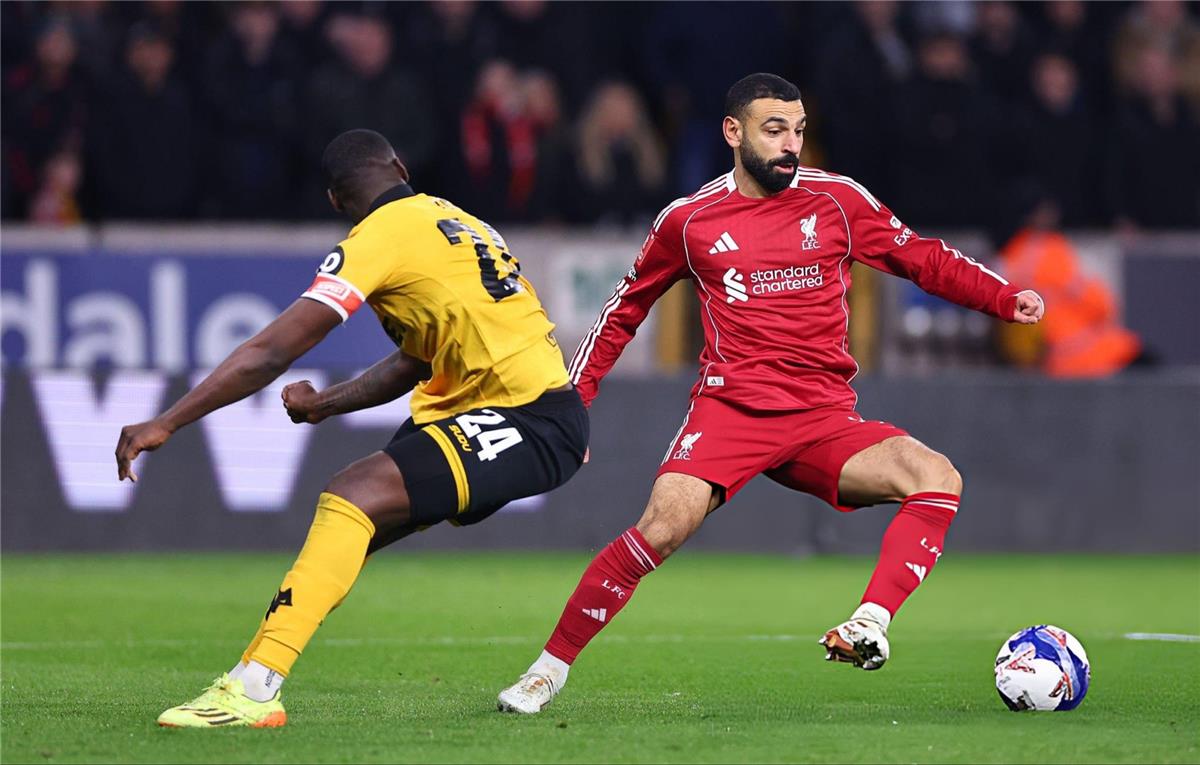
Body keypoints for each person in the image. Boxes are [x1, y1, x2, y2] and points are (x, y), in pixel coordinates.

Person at [496, 73, 1044, 714]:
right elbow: (624, 311)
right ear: (733, 133)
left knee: (937, 476)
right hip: (731, 411)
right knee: (662, 528)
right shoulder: (689, 221)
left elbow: (921, 258)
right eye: (775, 129)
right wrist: (574, 403)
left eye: (799, 130)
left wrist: (1002, 298)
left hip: (823, 418)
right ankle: (546, 672)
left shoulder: (838, 201)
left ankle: (869, 622)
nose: (791, 145)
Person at [115, 129, 588, 727]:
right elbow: (416, 360)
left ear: (335, 201)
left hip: (529, 418)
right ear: (400, 167)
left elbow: (270, 351)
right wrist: (324, 405)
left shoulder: (375, 238)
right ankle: (250, 677)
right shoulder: (456, 220)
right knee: (347, 533)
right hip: (513, 409)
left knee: (351, 493)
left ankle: (254, 689)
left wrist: (168, 420)